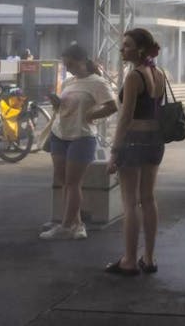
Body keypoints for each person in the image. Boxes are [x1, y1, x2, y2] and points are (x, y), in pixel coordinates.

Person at [40, 44, 117, 241]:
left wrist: (92, 115)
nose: (69, 68)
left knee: (73, 183)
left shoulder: (97, 82)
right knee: (64, 180)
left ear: (83, 61)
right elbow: (62, 108)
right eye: (66, 65)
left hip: (82, 136)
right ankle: (77, 224)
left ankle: (66, 225)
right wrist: (57, 103)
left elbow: (112, 106)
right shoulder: (68, 83)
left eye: (71, 64)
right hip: (60, 133)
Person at [105, 28, 167, 275]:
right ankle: (149, 258)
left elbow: (125, 117)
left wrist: (114, 151)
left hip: (134, 140)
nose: (122, 49)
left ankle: (129, 260)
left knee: (130, 203)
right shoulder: (159, 73)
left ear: (140, 49)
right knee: (149, 199)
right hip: (155, 140)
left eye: (127, 45)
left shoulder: (134, 77)